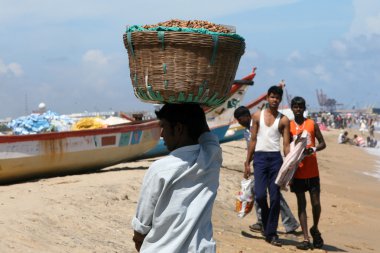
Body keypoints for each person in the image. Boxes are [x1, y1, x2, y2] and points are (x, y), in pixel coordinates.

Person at [132, 103, 222, 252]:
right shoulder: (211, 158)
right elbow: (207, 135)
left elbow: (142, 224)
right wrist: (194, 110)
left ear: (178, 129)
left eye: (164, 127)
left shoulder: (160, 169)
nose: (162, 134)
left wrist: (139, 239)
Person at [234, 106, 299, 234]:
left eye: (240, 120)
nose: (239, 122)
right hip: (259, 164)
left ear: (246, 116)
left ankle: (267, 222)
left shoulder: (260, 123)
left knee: (268, 194)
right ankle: (284, 222)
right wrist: (247, 163)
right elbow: (251, 147)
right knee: (262, 193)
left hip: (271, 162)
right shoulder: (247, 131)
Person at [244, 86, 291, 247]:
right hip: (260, 158)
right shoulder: (257, 116)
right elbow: (253, 140)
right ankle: (266, 225)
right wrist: (247, 163)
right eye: (272, 97)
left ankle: (271, 233)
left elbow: (286, 144)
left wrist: (288, 165)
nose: (274, 100)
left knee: (276, 197)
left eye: (277, 97)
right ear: (267, 98)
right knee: (260, 196)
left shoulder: (283, 120)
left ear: (280, 100)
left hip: (276, 160)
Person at [289, 96, 327, 250]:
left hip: (312, 171)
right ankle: (306, 238)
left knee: (316, 204)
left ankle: (315, 228)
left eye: (300, 107)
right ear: (292, 108)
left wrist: (314, 149)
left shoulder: (311, 124)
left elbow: (323, 143)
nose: (298, 109)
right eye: (295, 106)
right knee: (301, 205)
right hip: (297, 171)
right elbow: (286, 146)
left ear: (304, 108)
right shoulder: (289, 125)